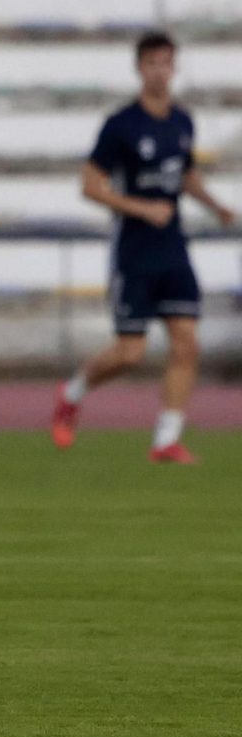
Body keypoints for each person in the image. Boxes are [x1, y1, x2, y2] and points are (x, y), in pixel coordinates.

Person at [51, 31, 235, 463]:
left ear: (175, 68)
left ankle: (166, 439)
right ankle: (73, 390)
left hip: (173, 247)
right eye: (152, 62)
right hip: (134, 250)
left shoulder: (183, 122)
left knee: (187, 342)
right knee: (130, 352)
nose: (160, 70)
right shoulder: (121, 126)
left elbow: (185, 175)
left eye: (167, 62)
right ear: (139, 68)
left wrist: (216, 205)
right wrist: (139, 207)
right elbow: (90, 186)